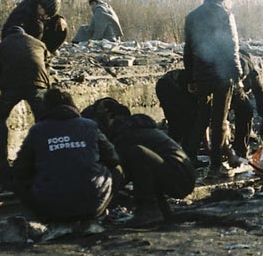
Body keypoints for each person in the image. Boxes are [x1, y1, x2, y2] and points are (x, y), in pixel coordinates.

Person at [81, 98, 197, 228]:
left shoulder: (124, 134)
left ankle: (149, 209)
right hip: (179, 174)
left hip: (180, 177)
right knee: (139, 161)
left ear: (109, 116)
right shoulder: (129, 128)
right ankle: (161, 208)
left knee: (137, 153)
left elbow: (119, 170)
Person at [10, 88, 121, 222]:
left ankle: (42, 216)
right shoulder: (90, 126)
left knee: (18, 180)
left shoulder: (37, 130)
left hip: (50, 209)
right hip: (92, 207)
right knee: (117, 170)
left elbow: (19, 169)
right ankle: (99, 213)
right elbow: (113, 158)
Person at [183, 0, 243, 178]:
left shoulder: (192, 16)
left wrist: (191, 77)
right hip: (222, 74)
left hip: (201, 75)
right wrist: (238, 75)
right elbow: (232, 47)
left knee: (201, 116)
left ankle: (189, 157)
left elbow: (188, 49)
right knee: (219, 120)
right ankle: (215, 166)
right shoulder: (225, 15)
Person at [0, 26, 51, 176]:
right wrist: (46, 85)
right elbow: (47, 64)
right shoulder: (38, 43)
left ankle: (2, 161)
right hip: (37, 84)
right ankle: (45, 159)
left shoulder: (3, 45)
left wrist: (2, 86)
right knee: (43, 122)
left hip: (11, 86)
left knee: (0, 119)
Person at [231, 49, 263, 160]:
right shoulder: (229, 61)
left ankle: (240, 149)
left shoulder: (250, 70)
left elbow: (260, 92)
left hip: (237, 91)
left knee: (246, 110)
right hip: (220, 85)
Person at [156, 68, 200, 163]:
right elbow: (199, 119)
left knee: (181, 123)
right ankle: (178, 155)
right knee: (181, 123)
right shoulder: (196, 80)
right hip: (168, 86)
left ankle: (175, 153)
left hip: (166, 85)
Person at [1, 0, 68, 54]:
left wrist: (60, 18)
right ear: (41, 7)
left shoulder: (42, 9)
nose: (44, 17)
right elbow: (14, 28)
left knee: (60, 27)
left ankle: (46, 52)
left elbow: (53, 16)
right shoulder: (25, 9)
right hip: (14, 39)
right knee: (38, 27)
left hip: (31, 42)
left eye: (48, 16)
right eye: (44, 14)